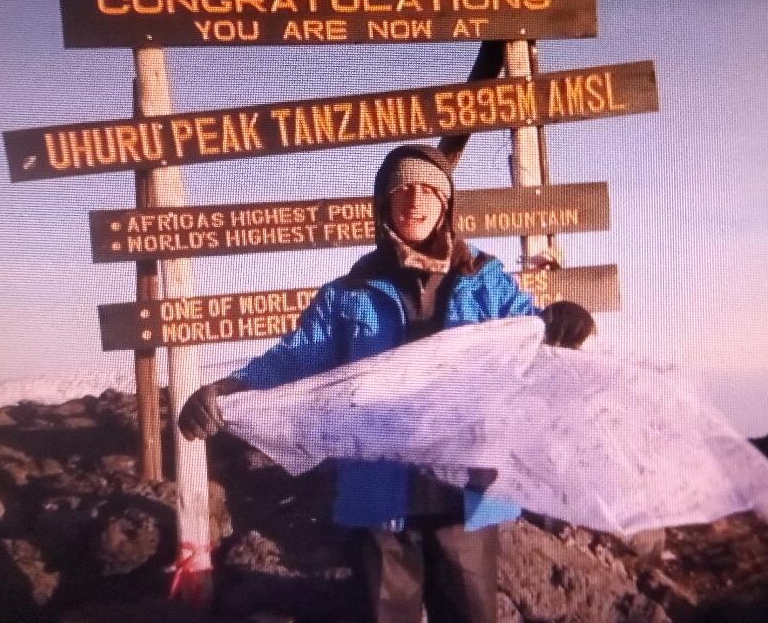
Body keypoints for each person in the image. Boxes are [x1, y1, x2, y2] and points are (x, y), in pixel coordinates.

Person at [179, 143, 590, 623]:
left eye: (428, 191)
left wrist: (562, 326)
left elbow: (532, 337)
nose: (415, 201)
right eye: (402, 191)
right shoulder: (347, 294)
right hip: (380, 497)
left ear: (446, 205)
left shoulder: (486, 280)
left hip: (466, 494)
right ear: (384, 206)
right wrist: (227, 391)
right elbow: (294, 358)